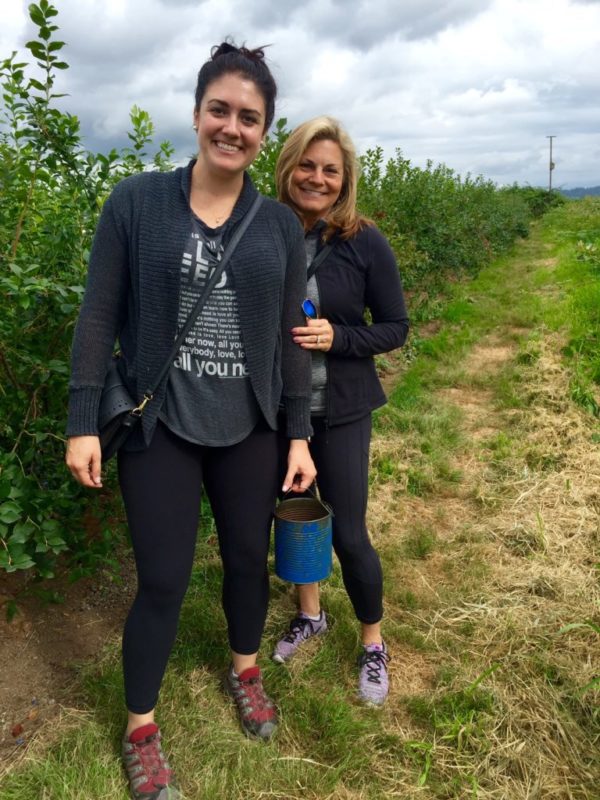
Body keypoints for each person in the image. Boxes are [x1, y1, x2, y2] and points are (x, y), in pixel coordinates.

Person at [66, 42, 316, 800]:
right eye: (220, 110)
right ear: (198, 111)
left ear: (264, 131)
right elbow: (98, 315)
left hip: (250, 427)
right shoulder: (135, 202)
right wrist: (82, 419)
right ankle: (141, 725)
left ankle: (244, 669)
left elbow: (289, 338)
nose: (232, 128)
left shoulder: (277, 226)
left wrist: (298, 431)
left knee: (247, 561)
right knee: (165, 580)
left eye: (249, 118)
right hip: (160, 425)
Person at [272, 116, 409, 707]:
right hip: (278, 411)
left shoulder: (364, 241)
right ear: (288, 167)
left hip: (344, 408)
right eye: (307, 164)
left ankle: (373, 641)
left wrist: (341, 338)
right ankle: (310, 614)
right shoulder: (264, 230)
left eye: (330, 170)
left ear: (345, 179)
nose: (317, 178)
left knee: (350, 533)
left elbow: (396, 328)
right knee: (298, 517)